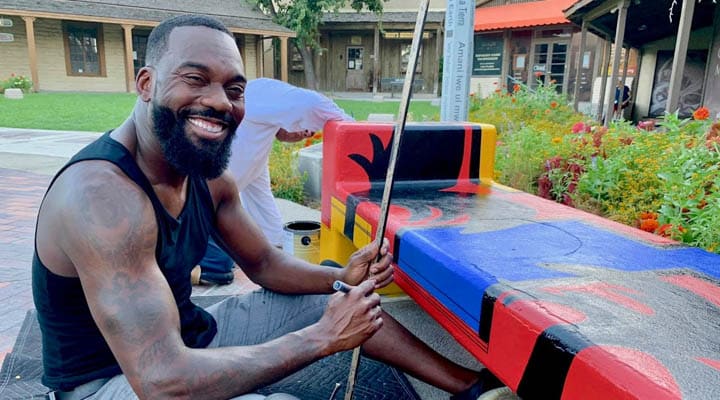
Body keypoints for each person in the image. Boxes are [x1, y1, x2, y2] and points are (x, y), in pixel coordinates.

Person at [31, 14, 505, 400]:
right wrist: (321, 339)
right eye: (195, 79)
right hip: (109, 383)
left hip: (189, 337)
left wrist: (342, 276)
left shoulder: (204, 173)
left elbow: (263, 262)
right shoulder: (101, 198)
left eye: (235, 90)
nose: (218, 102)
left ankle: (470, 386)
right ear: (147, 83)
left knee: (337, 297)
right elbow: (162, 382)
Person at [193, 79, 353, 285]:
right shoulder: (259, 91)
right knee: (219, 267)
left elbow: (264, 210)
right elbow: (312, 105)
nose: (304, 134)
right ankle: (169, 266)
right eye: (302, 126)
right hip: (188, 209)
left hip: (209, 205)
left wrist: (285, 249)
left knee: (238, 254)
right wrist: (352, 127)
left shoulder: (254, 149)